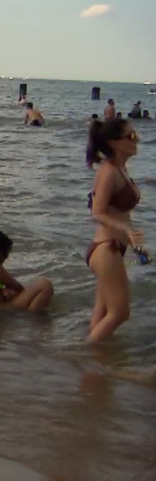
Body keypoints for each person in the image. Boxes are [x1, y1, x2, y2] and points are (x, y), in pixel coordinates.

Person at [85, 117, 144, 343]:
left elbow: (118, 213)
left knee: (101, 314)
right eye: (131, 136)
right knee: (120, 313)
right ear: (114, 143)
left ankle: (95, 366)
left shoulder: (120, 169)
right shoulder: (109, 171)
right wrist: (126, 230)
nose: (136, 139)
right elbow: (98, 212)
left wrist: (132, 240)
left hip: (113, 248)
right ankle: (84, 355)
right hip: (105, 248)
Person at [0, 231, 54, 312]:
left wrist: (4, 291)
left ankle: (31, 315)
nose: (6, 258)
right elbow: (15, 285)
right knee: (45, 285)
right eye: (6, 254)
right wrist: (23, 295)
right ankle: (32, 316)